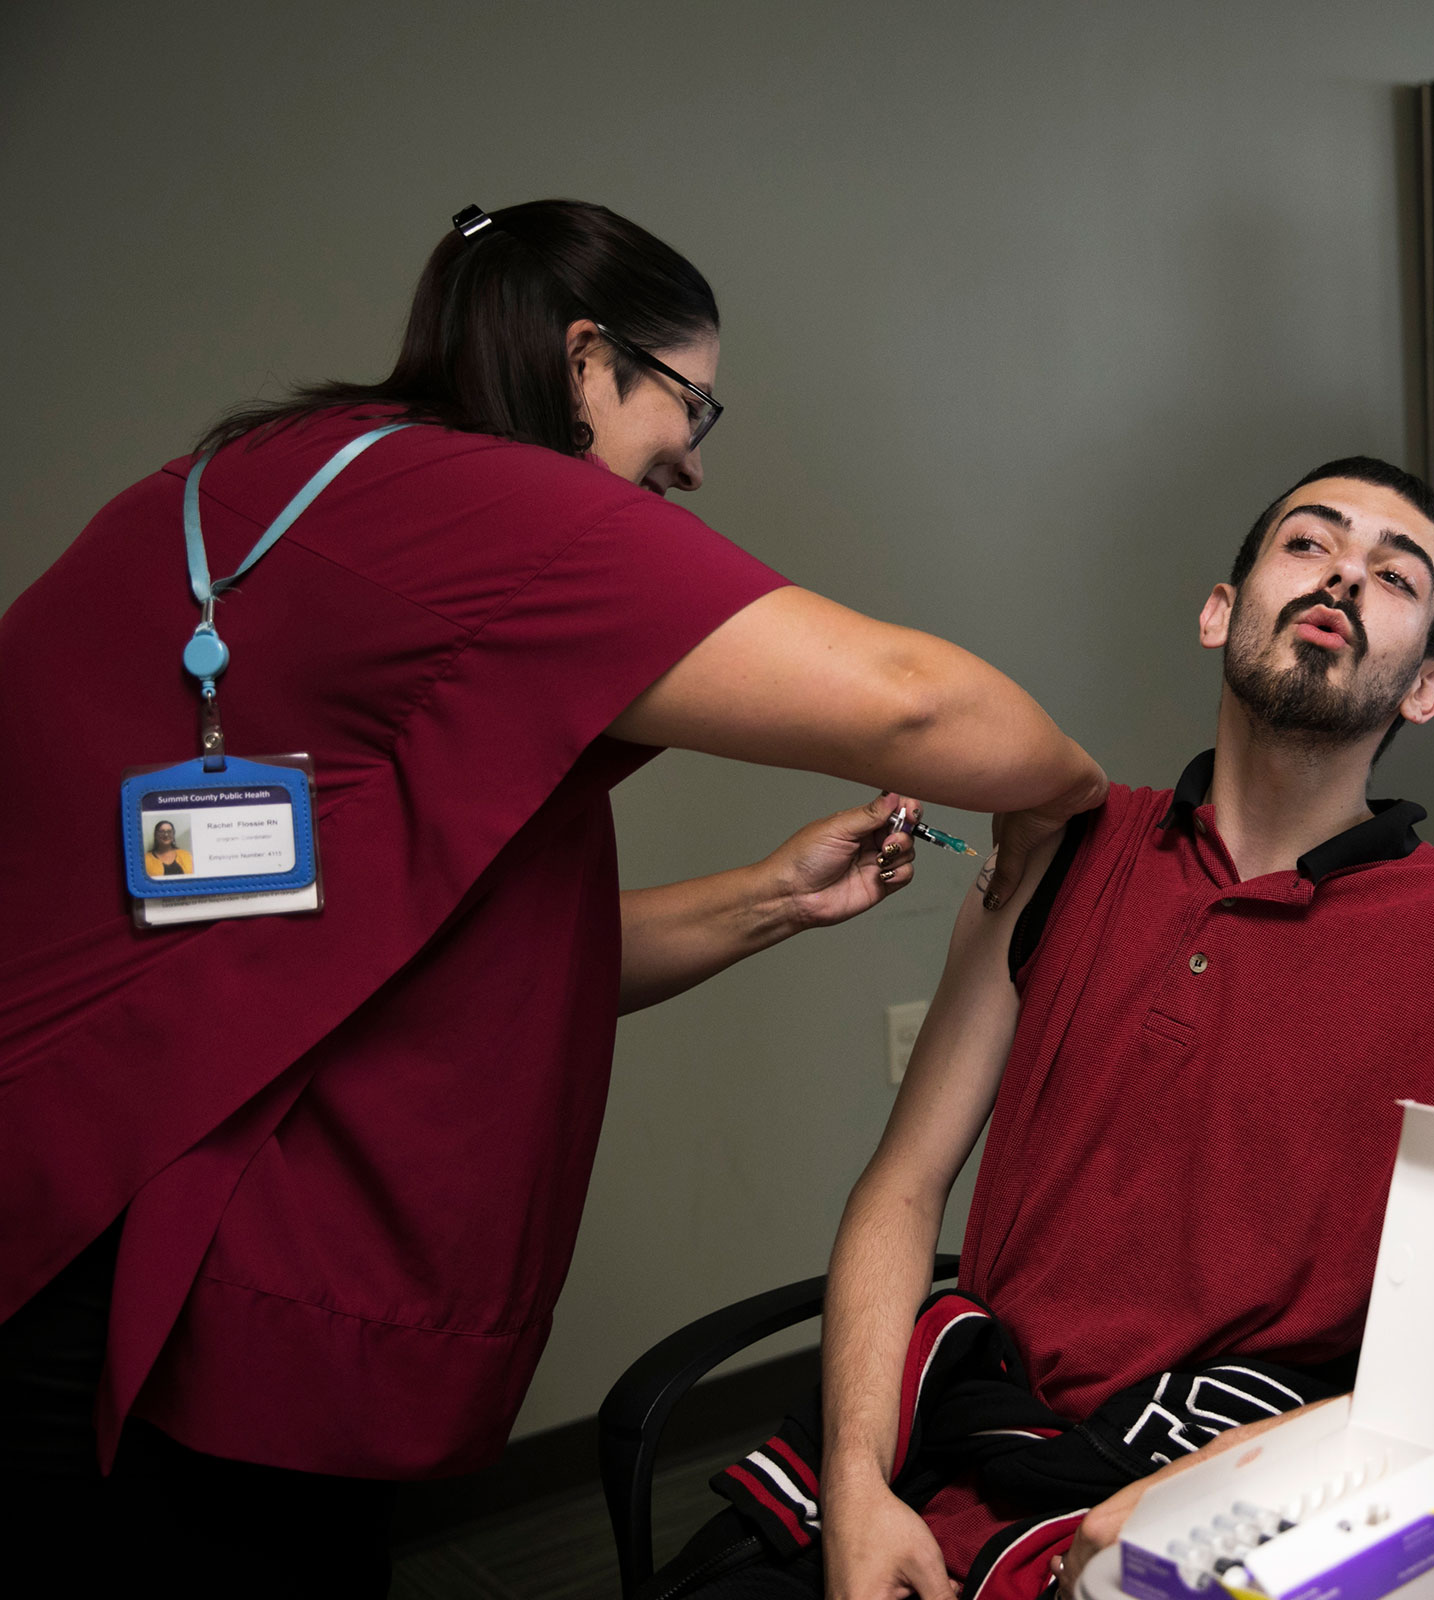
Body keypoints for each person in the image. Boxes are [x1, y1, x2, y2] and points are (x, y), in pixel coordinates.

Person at [0, 199, 1106, 1592]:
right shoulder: (487, 504)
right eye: (693, 410)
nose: (693, 467)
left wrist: (770, 899)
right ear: (588, 361)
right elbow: (917, 708)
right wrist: (1075, 801)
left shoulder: (273, 471)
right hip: (108, 1240)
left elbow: (445, 961)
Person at [646, 457, 1434, 1600]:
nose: (1344, 572)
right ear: (1218, 613)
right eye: (1310, 542)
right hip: (957, 1447)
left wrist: (1227, 1482)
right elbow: (902, 1184)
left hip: (1228, 1490)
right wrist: (854, 1485)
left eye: (1394, 573)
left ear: (1426, 687)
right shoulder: (1070, 849)